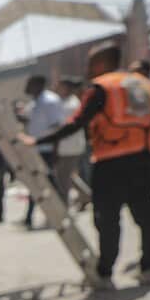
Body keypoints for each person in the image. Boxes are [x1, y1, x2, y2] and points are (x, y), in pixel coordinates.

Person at [27, 42, 150, 289]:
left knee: (107, 220)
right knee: (146, 215)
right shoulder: (142, 83)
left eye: (91, 63)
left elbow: (76, 122)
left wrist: (37, 140)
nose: (88, 69)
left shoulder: (101, 87)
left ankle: (105, 272)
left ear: (101, 63)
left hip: (111, 161)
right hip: (143, 157)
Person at [22, 75, 68, 228]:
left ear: (39, 84)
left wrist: (56, 150)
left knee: (49, 184)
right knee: (36, 182)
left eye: (30, 83)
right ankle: (30, 216)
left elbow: (57, 128)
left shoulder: (50, 101)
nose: (26, 86)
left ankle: (62, 213)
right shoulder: (35, 103)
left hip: (47, 149)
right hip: (35, 149)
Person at [54, 78, 88, 206]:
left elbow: (61, 125)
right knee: (67, 175)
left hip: (69, 147)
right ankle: (86, 195)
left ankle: (64, 205)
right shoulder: (66, 102)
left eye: (60, 86)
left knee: (63, 178)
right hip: (68, 146)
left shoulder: (70, 104)